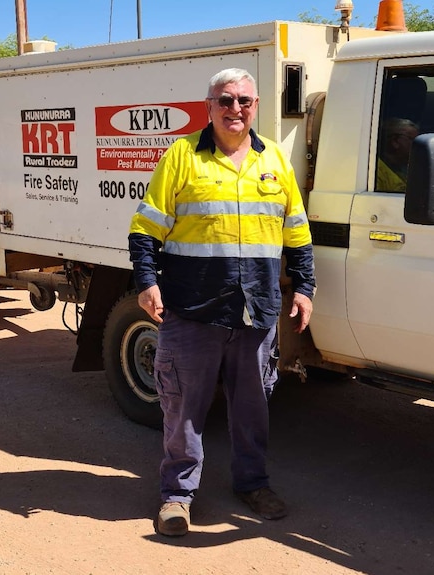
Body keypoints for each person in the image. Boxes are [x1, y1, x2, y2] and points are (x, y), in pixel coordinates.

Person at [127, 68, 316, 537]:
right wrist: (147, 283)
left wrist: (306, 287)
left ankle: (252, 484)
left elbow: (296, 231)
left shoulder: (273, 158)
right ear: (208, 106)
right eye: (226, 101)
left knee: (252, 407)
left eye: (245, 101)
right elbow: (145, 228)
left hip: (256, 310)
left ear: (255, 106)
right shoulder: (183, 156)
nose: (236, 109)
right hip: (193, 308)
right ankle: (177, 496)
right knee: (184, 407)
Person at [375, 117, 419, 192]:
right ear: (395, 141)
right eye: (413, 140)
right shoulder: (376, 172)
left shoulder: (402, 171)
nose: (417, 146)